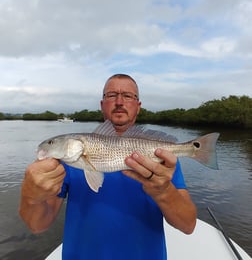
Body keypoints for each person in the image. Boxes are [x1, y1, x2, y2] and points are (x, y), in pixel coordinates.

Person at [19, 74, 197, 259]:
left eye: (128, 96)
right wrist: (30, 195)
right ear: (102, 104)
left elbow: (188, 225)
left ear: (138, 106)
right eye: (111, 95)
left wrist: (164, 190)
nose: (119, 101)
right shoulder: (63, 164)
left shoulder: (163, 161)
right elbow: (37, 225)